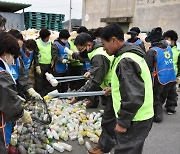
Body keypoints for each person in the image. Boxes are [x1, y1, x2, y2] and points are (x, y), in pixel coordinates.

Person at [100, 24, 154, 154]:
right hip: (141, 116)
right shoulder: (131, 55)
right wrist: (114, 88)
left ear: (113, 40)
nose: (103, 48)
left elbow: (134, 96)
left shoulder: (126, 60)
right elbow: (133, 84)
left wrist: (123, 122)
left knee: (126, 150)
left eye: (104, 43)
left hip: (135, 119)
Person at [68, 33, 116, 154]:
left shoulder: (99, 55)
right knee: (113, 118)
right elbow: (96, 66)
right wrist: (91, 71)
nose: (80, 52)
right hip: (110, 88)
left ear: (88, 45)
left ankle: (103, 148)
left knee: (108, 120)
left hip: (113, 90)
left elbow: (94, 82)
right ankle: (112, 142)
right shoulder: (96, 50)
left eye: (81, 49)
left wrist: (78, 96)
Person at [0, 32, 32, 153]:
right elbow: (8, 102)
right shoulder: (2, 75)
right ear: (5, 53)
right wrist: (22, 113)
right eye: (12, 55)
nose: (12, 59)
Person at [145, 27, 177, 122]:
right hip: (170, 75)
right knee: (170, 93)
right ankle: (171, 108)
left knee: (157, 97)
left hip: (160, 78)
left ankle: (157, 117)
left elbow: (147, 67)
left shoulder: (152, 51)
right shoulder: (168, 48)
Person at [8, 29, 42, 100]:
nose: (18, 50)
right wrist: (12, 96)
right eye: (16, 48)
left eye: (19, 47)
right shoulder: (4, 60)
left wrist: (30, 89)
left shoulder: (17, 58)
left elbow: (21, 76)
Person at [35, 28, 53, 96]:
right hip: (40, 65)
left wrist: (52, 61)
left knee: (48, 81)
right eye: (47, 37)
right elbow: (36, 55)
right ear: (43, 37)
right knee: (39, 81)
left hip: (48, 65)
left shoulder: (50, 43)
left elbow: (51, 52)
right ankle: (39, 95)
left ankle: (47, 95)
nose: (48, 38)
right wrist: (37, 65)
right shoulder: (37, 43)